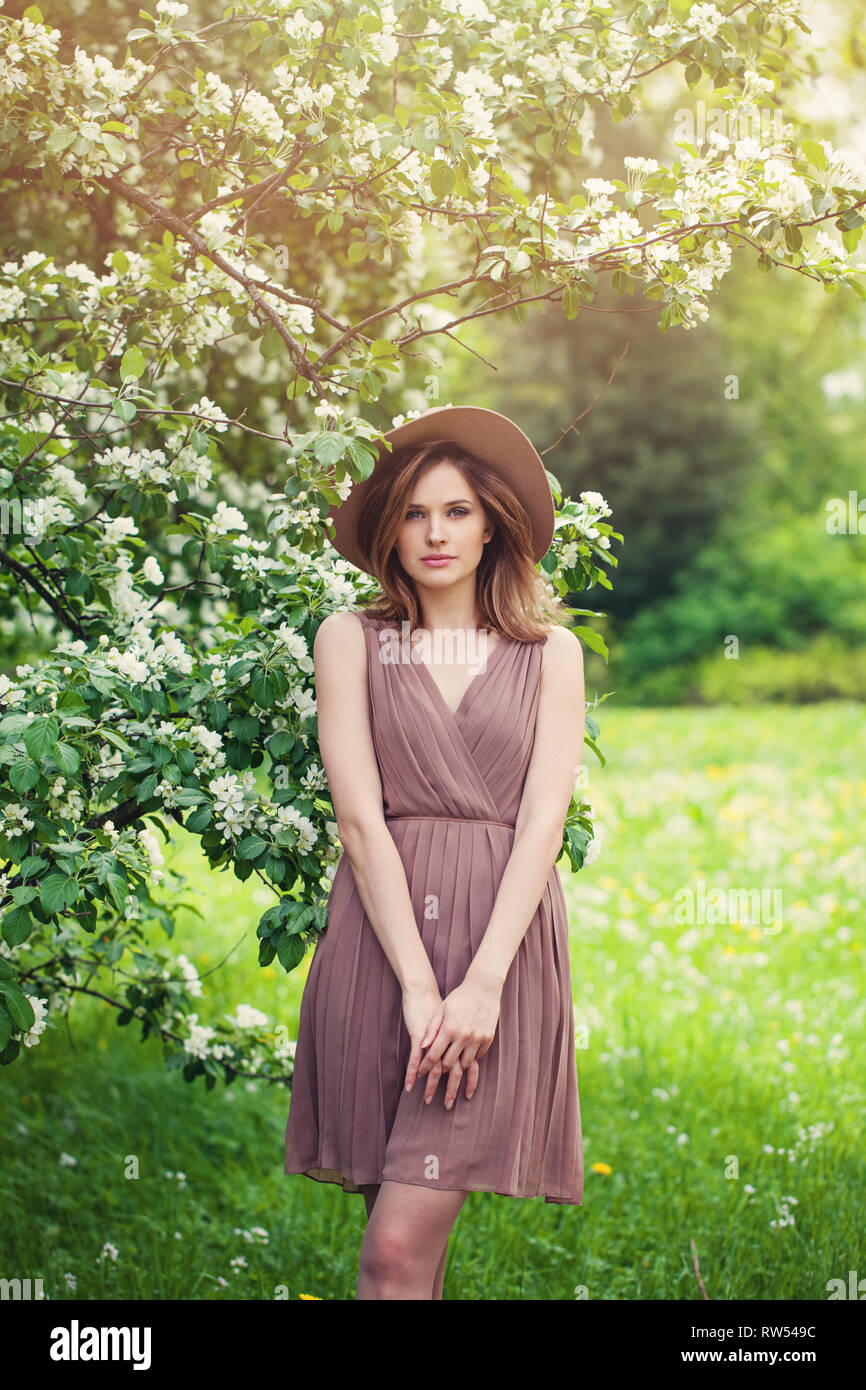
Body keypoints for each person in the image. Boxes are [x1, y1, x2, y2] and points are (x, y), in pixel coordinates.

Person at [284, 405, 586, 1300]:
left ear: (492, 522)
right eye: (415, 513)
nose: (435, 533)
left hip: (501, 948)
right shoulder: (350, 639)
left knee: (394, 1252)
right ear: (391, 529)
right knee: (402, 1238)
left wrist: (482, 983)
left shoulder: (551, 654)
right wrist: (417, 985)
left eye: (455, 511)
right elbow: (359, 821)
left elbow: (542, 824)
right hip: (379, 945)